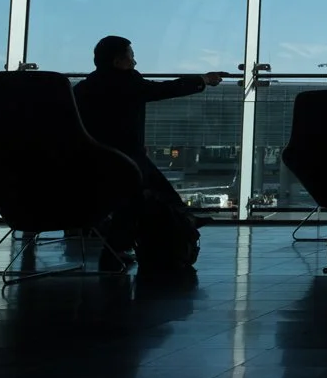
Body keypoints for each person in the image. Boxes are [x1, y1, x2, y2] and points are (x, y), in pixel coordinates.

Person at [73, 36, 223, 259]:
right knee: (143, 190)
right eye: (131, 57)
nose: (135, 63)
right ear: (118, 62)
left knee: (143, 189)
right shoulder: (126, 84)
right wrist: (203, 79)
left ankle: (176, 219)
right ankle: (178, 220)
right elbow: (164, 90)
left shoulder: (82, 89)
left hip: (93, 161)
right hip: (124, 160)